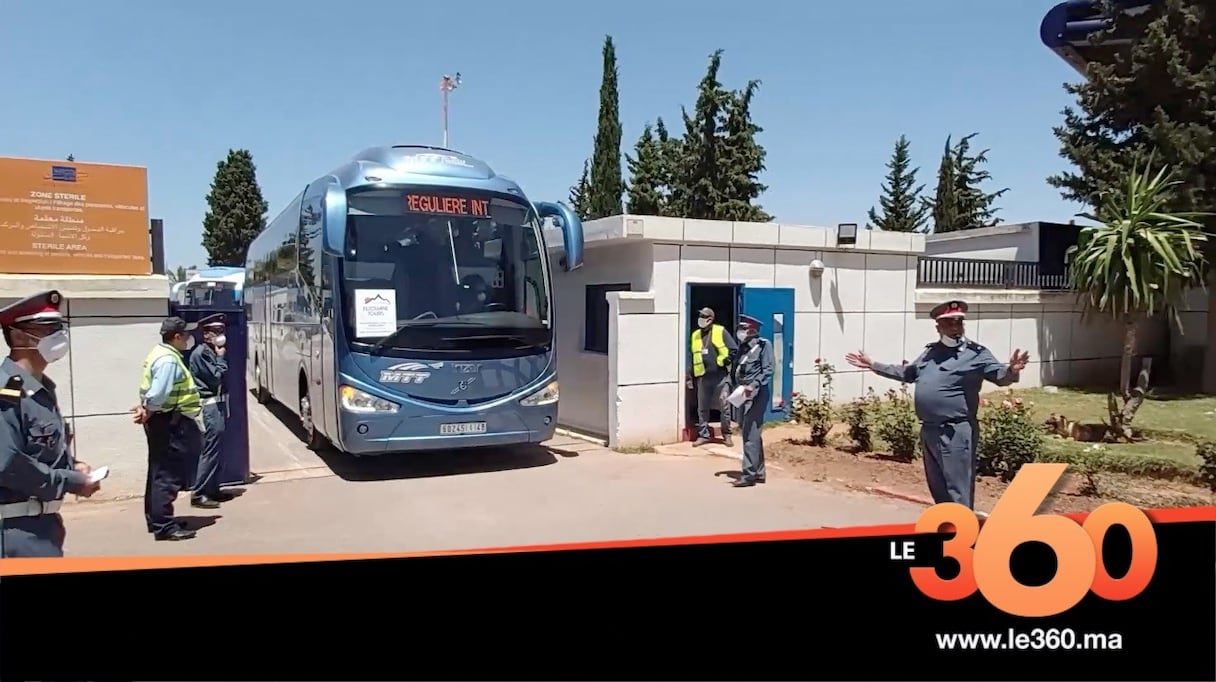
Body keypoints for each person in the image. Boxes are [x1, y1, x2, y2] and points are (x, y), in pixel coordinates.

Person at [844, 299, 1031, 509]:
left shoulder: (976, 354)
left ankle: (964, 533)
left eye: (959, 322)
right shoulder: (931, 353)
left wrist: (1012, 370)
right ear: (938, 327)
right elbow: (908, 373)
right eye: (949, 322)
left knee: (957, 488)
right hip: (930, 430)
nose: (955, 327)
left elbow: (1000, 376)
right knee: (938, 486)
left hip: (955, 431)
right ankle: (947, 529)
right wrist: (873, 365)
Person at [0, 290, 102, 557]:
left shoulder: (41, 389)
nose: (59, 336)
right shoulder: (6, 392)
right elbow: (7, 463)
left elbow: (40, 449)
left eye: (60, 327)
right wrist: (70, 481)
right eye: (49, 329)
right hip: (13, 533)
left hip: (43, 527)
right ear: (19, 336)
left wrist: (73, 465)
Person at [131, 317, 204, 541]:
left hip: (162, 420)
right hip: (170, 421)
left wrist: (147, 407)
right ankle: (164, 526)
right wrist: (150, 408)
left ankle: (157, 519)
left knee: (157, 471)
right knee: (167, 474)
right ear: (177, 336)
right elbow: (159, 393)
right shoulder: (169, 360)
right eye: (186, 334)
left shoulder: (159, 353)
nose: (189, 338)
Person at [187, 313, 233, 510]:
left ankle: (213, 488)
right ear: (206, 334)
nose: (220, 334)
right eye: (216, 331)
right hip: (210, 405)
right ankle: (199, 493)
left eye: (221, 330)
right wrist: (222, 359)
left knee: (217, 449)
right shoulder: (201, 354)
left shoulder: (210, 351)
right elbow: (215, 377)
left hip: (219, 404)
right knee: (211, 450)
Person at [730, 314, 774, 488]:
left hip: (755, 394)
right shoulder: (743, 348)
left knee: (750, 434)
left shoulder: (763, 346)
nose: (740, 331)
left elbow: (768, 370)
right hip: (742, 393)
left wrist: (753, 386)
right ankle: (759, 472)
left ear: (753, 330)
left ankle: (748, 475)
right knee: (751, 433)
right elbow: (737, 369)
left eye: (744, 328)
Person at [686, 307, 739, 447]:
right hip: (703, 377)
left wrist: (727, 360)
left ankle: (726, 434)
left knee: (724, 406)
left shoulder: (720, 331)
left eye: (704, 316)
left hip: (720, 376)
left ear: (710, 319)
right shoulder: (696, 334)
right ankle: (704, 435)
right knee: (702, 408)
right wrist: (690, 376)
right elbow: (692, 356)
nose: (701, 319)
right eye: (700, 316)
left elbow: (734, 349)